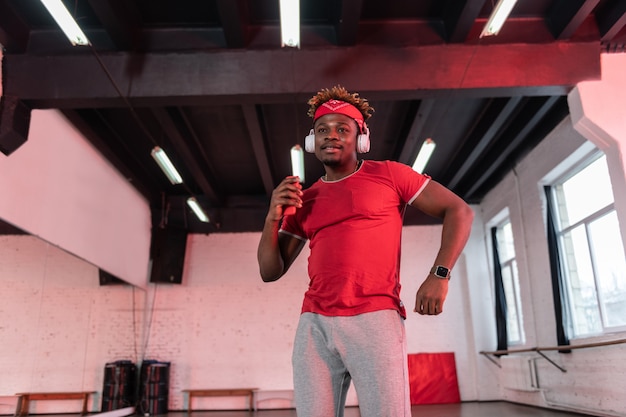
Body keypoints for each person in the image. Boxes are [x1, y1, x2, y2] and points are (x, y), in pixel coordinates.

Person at [257, 86, 474, 417]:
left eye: (342, 129)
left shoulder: (389, 174)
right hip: (314, 323)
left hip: (375, 317)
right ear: (312, 141)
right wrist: (273, 216)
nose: (331, 136)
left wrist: (439, 274)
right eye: (322, 130)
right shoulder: (306, 198)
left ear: (361, 138)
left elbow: (459, 211)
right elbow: (270, 271)